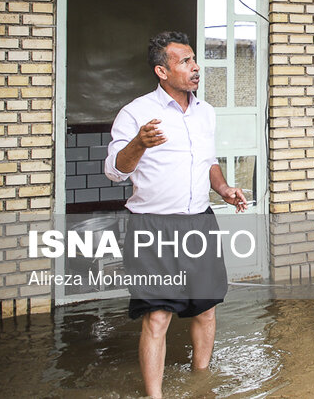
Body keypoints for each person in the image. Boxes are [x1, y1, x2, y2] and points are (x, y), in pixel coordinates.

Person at [104, 31, 247, 399]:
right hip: (153, 225)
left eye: (194, 59)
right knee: (157, 317)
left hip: (199, 222)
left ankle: (201, 384)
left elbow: (208, 162)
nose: (196, 67)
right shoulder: (135, 113)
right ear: (161, 71)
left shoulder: (206, 113)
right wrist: (139, 142)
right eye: (185, 61)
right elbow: (115, 170)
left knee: (206, 310)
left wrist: (224, 189)